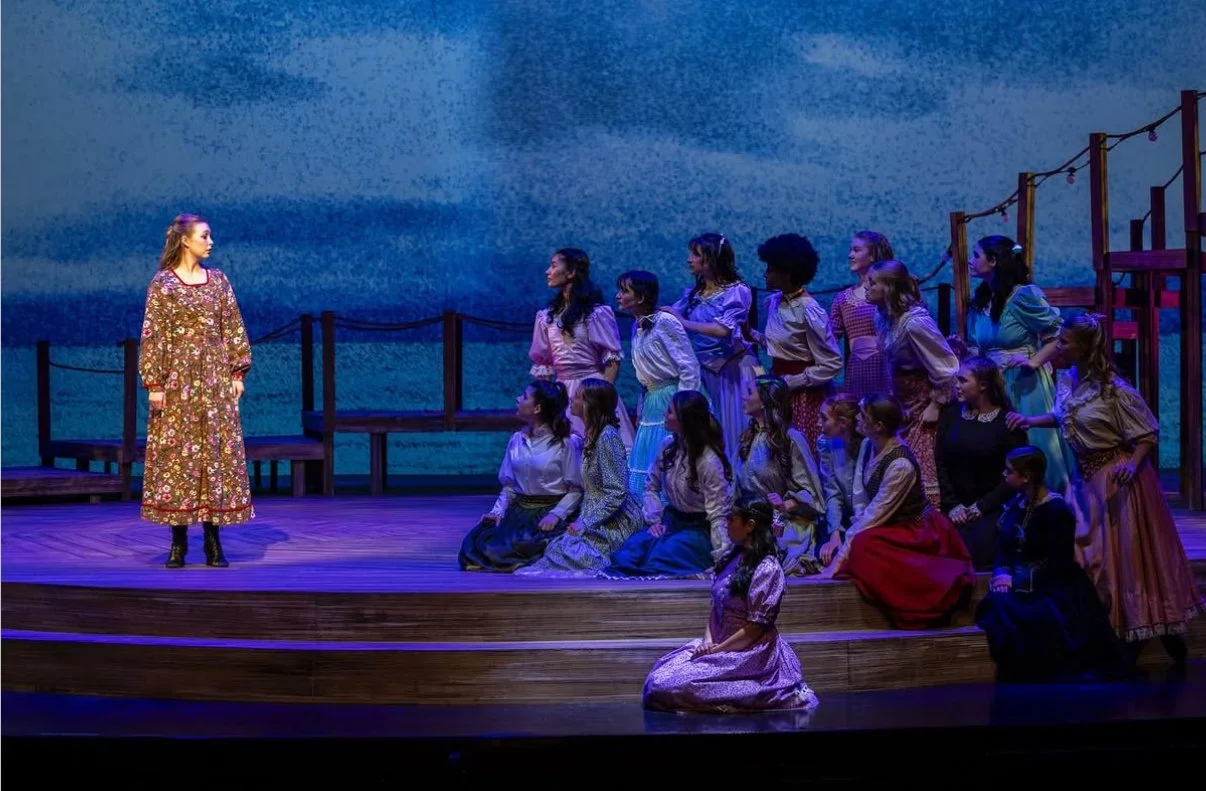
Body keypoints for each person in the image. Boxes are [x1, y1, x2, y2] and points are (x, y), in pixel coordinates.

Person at [1006, 314, 1203, 662]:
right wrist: (1030, 420)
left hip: (1118, 480)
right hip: (1087, 480)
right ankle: (1110, 634)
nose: (1058, 347)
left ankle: (1143, 636)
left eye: (1065, 342)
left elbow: (1147, 433)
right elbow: (1061, 415)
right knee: (1087, 557)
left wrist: (1131, 463)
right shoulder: (1068, 381)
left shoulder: (1114, 389)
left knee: (1124, 561)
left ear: (1084, 347)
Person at [139, 213, 253, 569]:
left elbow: (233, 325)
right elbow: (153, 334)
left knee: (214, 455)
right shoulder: (163, 284)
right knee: (178, 458)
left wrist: (237, 371)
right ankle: (177, 542)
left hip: (215, 381)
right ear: (186, 240)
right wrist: (155, 383)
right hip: (179, 381)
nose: (210, 242)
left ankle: (213, 541)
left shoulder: (218, 281)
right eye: (205, 236)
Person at [642, 495, 821, 713]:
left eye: (731, 520)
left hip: (748, 651)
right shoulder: (732, 559)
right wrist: (706, 643)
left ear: (750, 526)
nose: (727, 525)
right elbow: (716, 609)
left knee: (670, 687)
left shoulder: (767, 568)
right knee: (657, 680)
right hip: (719, 643)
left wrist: (719, 649)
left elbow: (756, 627)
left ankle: (734, 699)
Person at [814, 394, 975, 630]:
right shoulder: (870, 444)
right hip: (890, 522)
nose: (856, 419)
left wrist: (835, 565)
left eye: (862, 416)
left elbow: (875, 515)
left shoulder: (900, 465)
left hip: (916, 529)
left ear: (878, 426)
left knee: (863, 544)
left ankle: (914, 602)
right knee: (860, 541)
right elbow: (861, 494)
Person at [975, 447, 1127, 683]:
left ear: (1026, 477)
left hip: (1051, 584)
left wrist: (1016, 580)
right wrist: (1002, 572)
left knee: (1029, 615)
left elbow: (1059, 562)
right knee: (997, 603)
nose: (1004, 475)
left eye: (1009, 472)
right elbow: (1005, 548)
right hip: (1020, 579)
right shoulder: (1017, 505)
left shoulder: (1056, 511)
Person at [965, 235, 1073, 494]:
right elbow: (979, 345)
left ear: (992, 261)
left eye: (976, 255)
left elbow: (1058, 334)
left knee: (1029, 446)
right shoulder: (982, 299)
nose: (971, 261)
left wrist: (1034, 361)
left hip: (1022, 384)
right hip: (991, 384)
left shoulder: (1023, 296)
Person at [600, 390, 733, 580]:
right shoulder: (668, 445)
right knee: (630, 552)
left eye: (670, 411)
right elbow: (651, 486)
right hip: (672, 521)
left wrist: (723, 558)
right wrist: (655, 521)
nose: (664, 414)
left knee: (660, 558)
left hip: (700, 529)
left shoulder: (708, 461)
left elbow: (718, 515)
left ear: (685, 420)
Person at [516, 379, 642, 577]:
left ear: (589, 404)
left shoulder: (608, 438)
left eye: (577, 397)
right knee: (554, 546)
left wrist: (586, 521)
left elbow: (617, 491)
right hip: (592, 509)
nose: (572, 401)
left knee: (572, 553)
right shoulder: (591, 434)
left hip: (612, 517)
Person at [459, 381, 583, 572]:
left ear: (537, 408)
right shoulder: (517, 439)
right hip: (520, 512)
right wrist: (497, 512)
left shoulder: (566, 442)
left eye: (524, 396)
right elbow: (509, 486)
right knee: (476, 543)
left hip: (549, 510)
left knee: (535, 545)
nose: (518, 399)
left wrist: (555, 515)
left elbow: (575, 489)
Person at [866, 259, 960, 508]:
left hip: (923, 401)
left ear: (888, 287)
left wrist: (936, 405)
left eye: (872, 283)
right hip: (902, 402)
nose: (866, 287)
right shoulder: (883, 316)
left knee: (918, 463)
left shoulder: (915, 323)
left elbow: (947, 368)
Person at [662, 233, 757, 466]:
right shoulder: (694, 293)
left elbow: (724, 329)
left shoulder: (737, 291)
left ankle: (734, 483)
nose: (689, 259)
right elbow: (672, 314)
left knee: (731, 425)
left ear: (711, 259)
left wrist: (684, 323)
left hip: (731, 372)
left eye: (695, 254)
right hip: (704, 371)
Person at [529, 248, 636, 450]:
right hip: (561, 392)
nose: (547, 271)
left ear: (571, 272)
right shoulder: (546, 317)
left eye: (553, 265)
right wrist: (546, 403)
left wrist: (602, 397)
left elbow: (612, 359)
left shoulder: (595, 313)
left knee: (600, 449)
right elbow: (543, 365)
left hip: (591, 387)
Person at [935, 356, 1029, 569]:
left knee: (979, 551)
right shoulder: (951, 416)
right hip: (954, 508)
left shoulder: (1006, 423)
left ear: (983, 385)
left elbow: (1014, 476)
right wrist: (952, 505)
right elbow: (941, 462)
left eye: (963, 381)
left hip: (992, 508)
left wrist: (982, 506)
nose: (957, 386)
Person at [751, 233, 842, 453]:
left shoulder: (809, 310)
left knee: (799, 451)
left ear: (787, 273)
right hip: (777, 388)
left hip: (802, 396)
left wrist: (794, 381)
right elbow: (783, 346)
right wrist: (751, 335)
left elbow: (832, 362)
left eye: (771, 269)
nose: (766, 274)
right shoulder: (773, 301)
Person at [616, 270, 701, 496]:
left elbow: (688, 366)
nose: (618, 295)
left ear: (641, 297)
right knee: (648, 460)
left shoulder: (665, 322)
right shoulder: (638, 326)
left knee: (669, 455)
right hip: (653, 400)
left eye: (625, 291)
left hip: (672, 397)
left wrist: (685, 408)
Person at [734, 375, 825, 575]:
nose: (743, 397)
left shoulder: (790, 440)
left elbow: (811, 494)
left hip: (783, 523)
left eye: (750, 392)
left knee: (764, 562)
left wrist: (785, 505)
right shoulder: (747, 439)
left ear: (766, 400)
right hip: (752, 524)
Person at [828, 230, 895, 399]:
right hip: (858, 372)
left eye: (857, 250)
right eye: (851, 250)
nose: (850, 255)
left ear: (872, 255)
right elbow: (828, 340)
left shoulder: (891, 292)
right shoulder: (843, 299)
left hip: (887, 369)